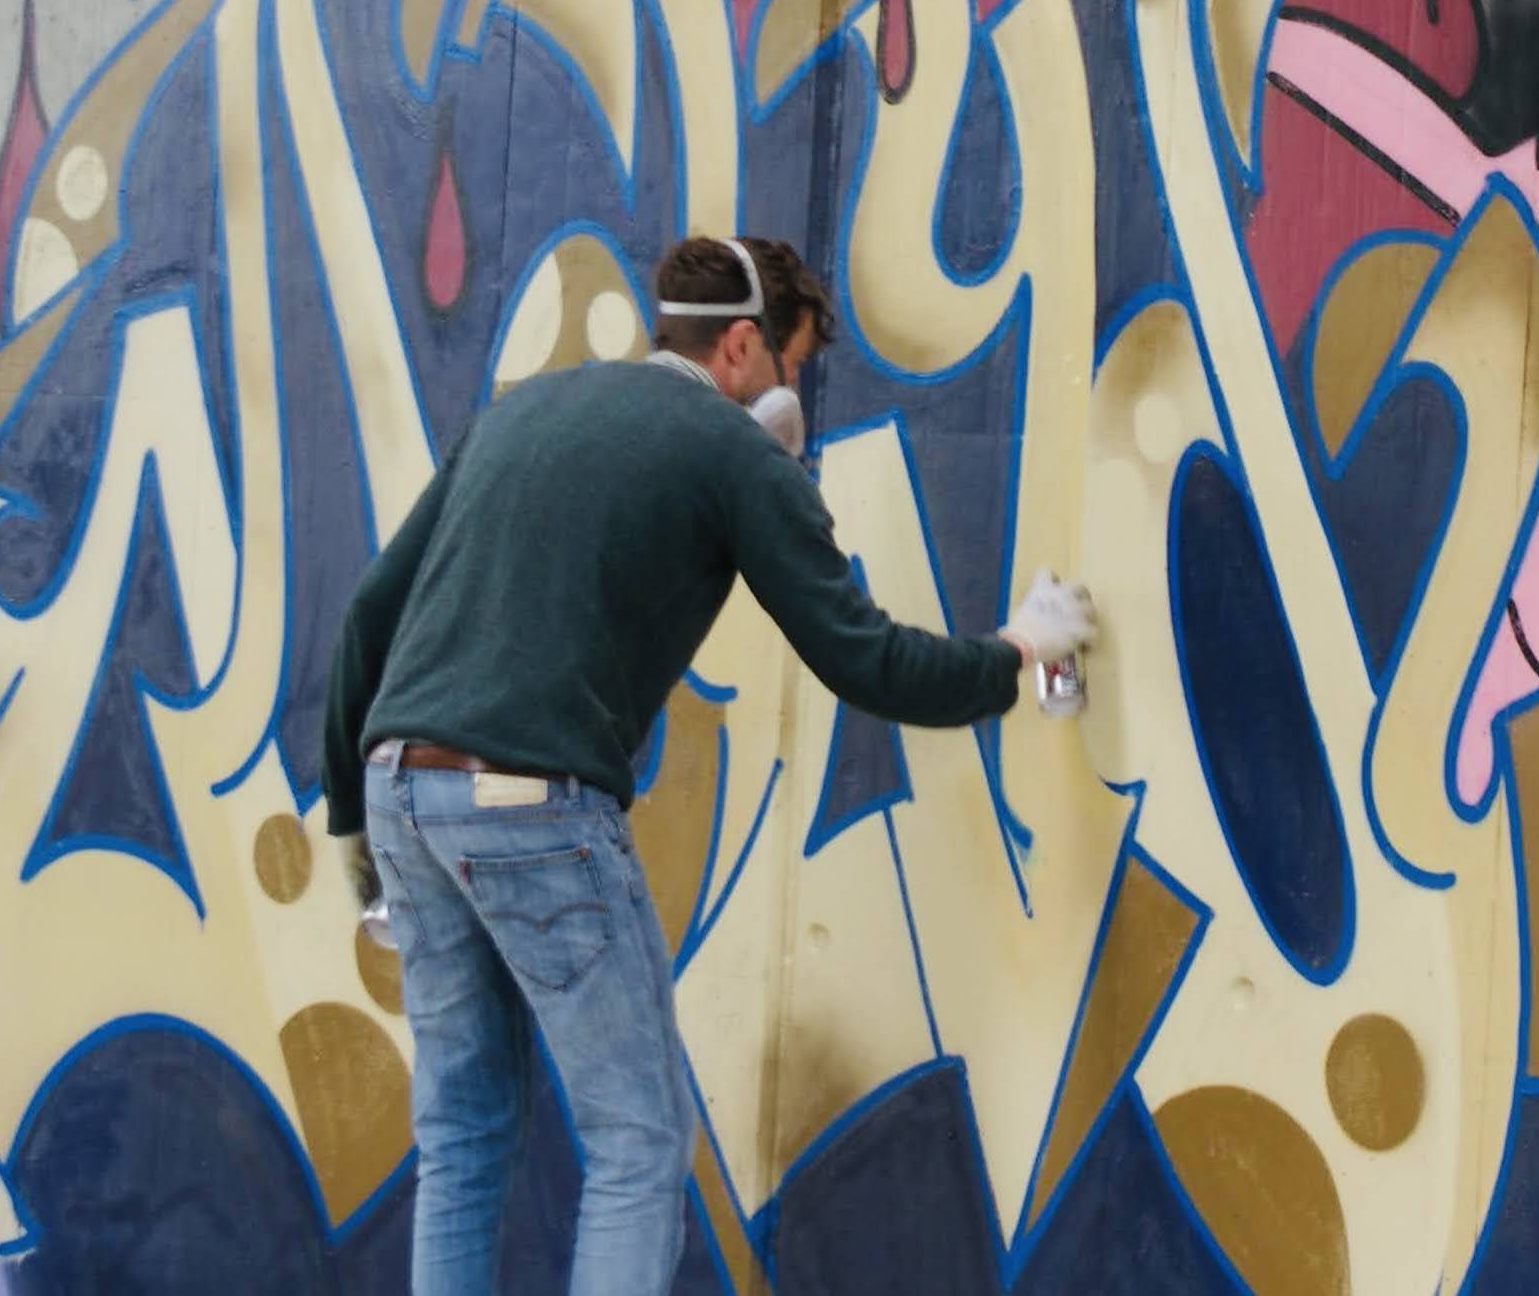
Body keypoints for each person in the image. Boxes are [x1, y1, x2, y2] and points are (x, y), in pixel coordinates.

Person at [320, 234, 1095, 1296]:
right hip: (533, 800)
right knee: (638, 1139)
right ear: (742, 345)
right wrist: (1016, 655)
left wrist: (358, 832)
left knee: (462, 1133)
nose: (794, 392)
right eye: (796, 365)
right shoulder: (731, 454)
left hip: (401, 787)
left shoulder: (517, 417)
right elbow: (865, 659)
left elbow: (371, 613)